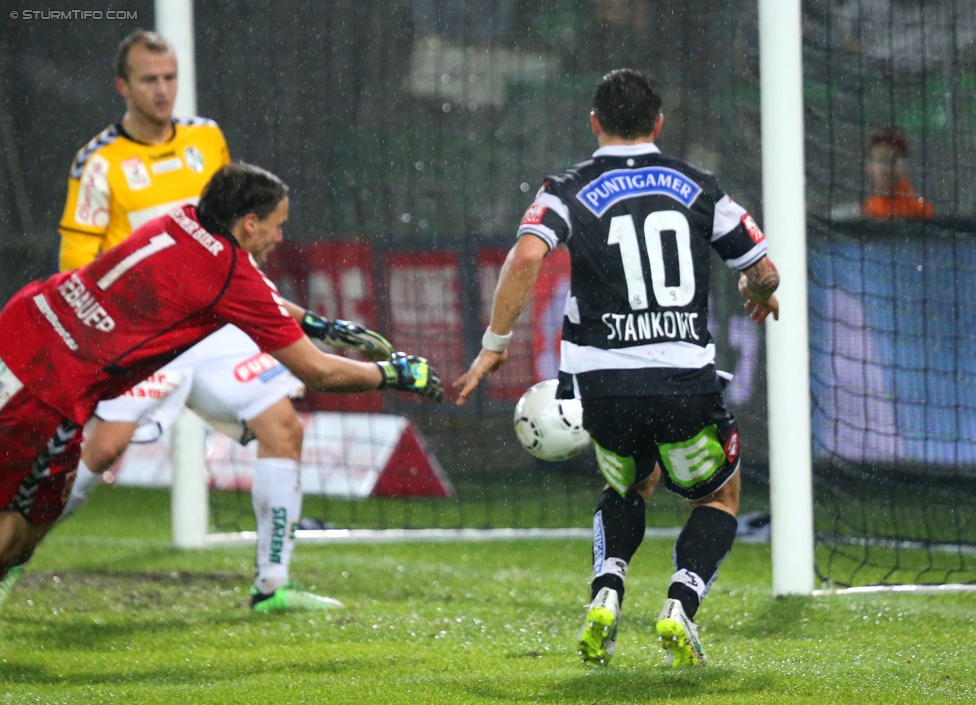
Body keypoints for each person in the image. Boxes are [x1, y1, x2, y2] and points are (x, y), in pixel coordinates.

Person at [6, 29, 394, 615]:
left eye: (169, 78)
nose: (162, 91)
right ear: (123, 86)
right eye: (148, 80)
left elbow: (235, 236)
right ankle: (14, 559)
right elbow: (78, 268)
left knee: (282, 427)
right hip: (135, 332)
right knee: (103, 448)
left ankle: (271, 586)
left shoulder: (206, 139)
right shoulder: (98, 163)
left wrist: (295, 318)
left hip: (212, 324)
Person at [454, 69, 779, 668]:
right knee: (718, 497)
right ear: (658, 123)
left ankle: (607, 590)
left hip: (602, 387)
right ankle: (680, 602)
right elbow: (761, 266)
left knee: (630, 483)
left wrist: (495, 343)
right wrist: (761, 289)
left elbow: (527, 253)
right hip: (683, 380)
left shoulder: (568, 187)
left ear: (594, 123)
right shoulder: (700, 185)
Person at [0, 162, 443, 599]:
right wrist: (393, 374)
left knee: (29, 521)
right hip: (50, 380)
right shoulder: (231, 274)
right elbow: (318, 371)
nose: (280, 236)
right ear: (250, 223)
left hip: (25, 320)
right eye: (277, 224)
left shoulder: (183, 218)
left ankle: (272, 584)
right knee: (20, 533)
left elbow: (248, 293)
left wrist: (317, 324)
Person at [861, 126, 934, 220]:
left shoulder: (919, 208)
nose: (887, 166)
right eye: (880, 158)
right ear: (868, 165)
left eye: (894, 159)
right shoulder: (867, 209)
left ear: (906, 166)